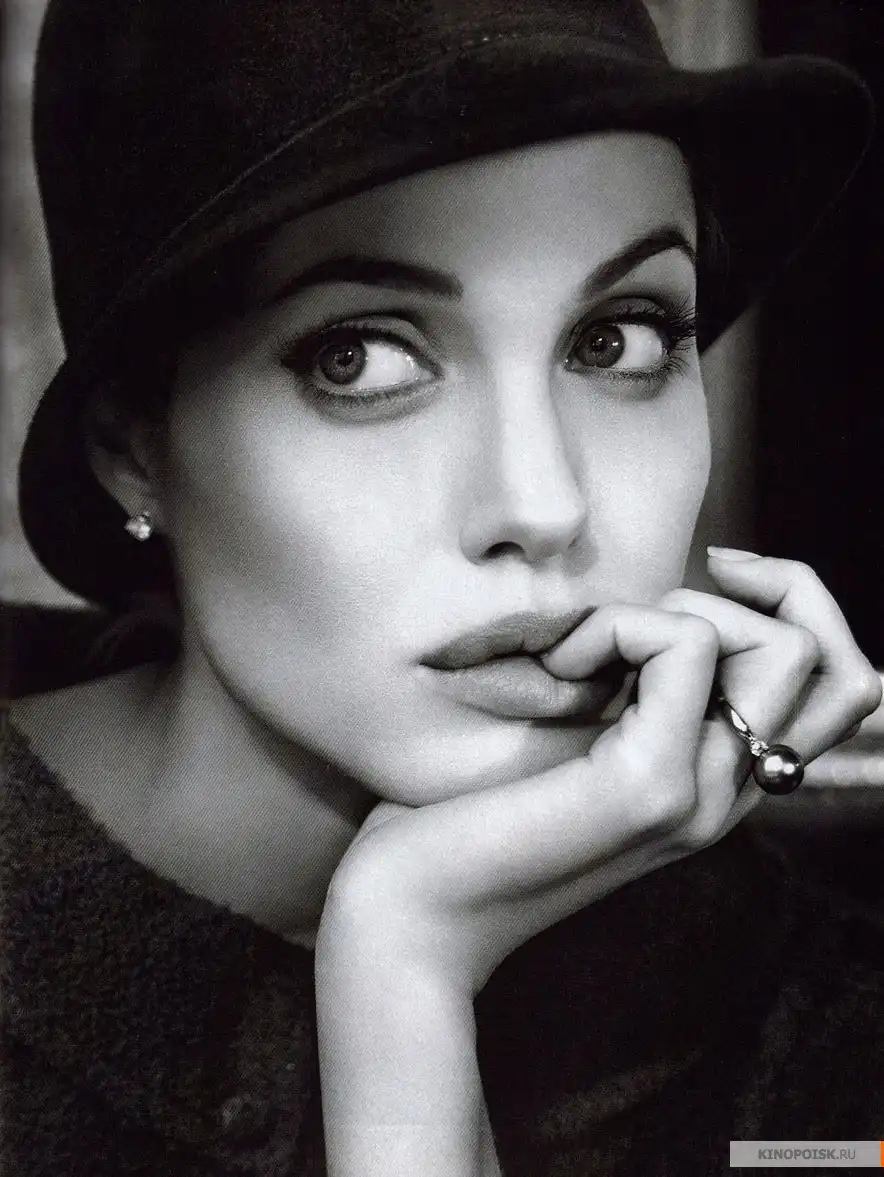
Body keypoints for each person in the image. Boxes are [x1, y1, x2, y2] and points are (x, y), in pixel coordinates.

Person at [3, 1, 883, 1174]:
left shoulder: (819, 1054)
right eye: (358, 357)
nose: (543, 503)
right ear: (132, 448)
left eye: (617, 340)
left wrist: (405, 955)